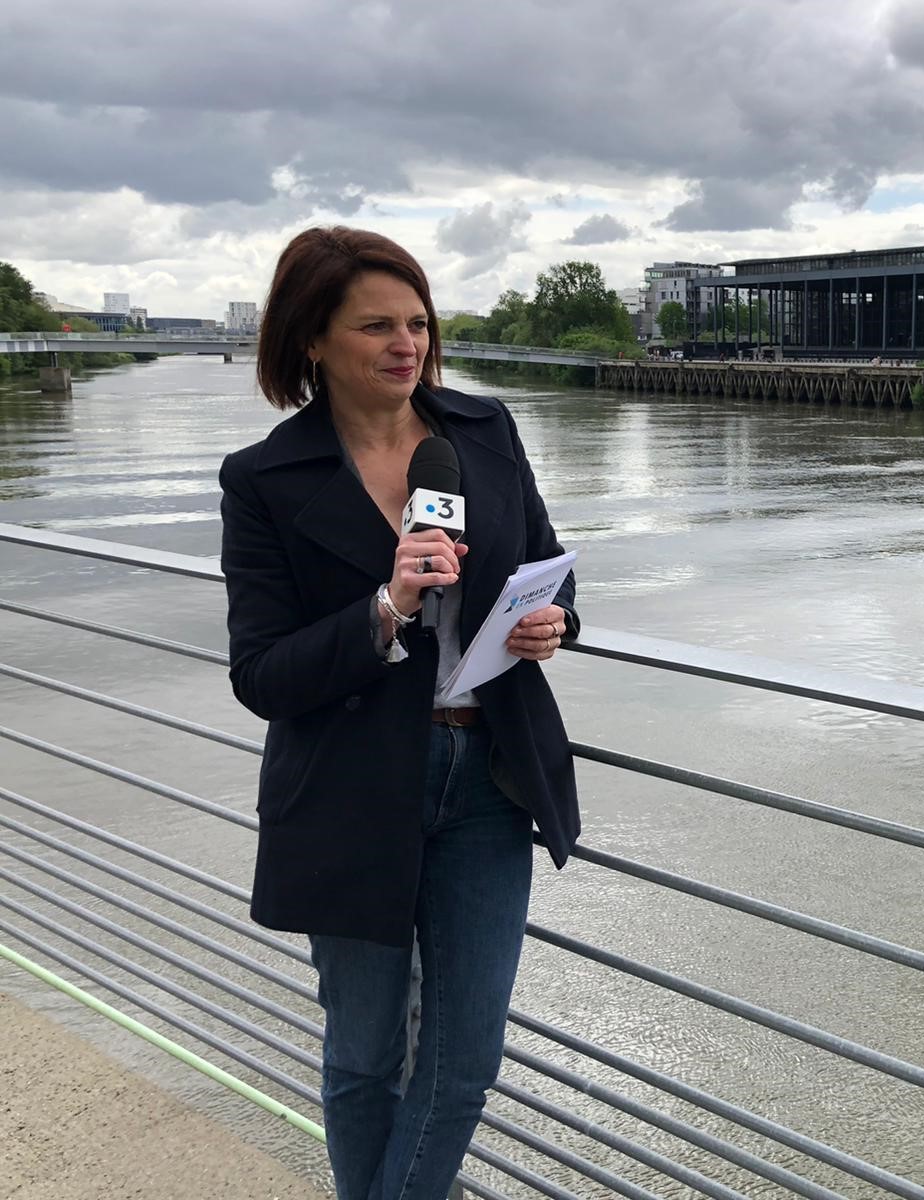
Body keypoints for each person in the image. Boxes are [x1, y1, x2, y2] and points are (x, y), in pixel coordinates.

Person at [219, 226, 580, 1199]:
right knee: (366, 1058)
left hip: (490, 781)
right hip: (348, 793)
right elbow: (260, 673)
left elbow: (551, 566)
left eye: (418, 322)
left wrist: (552, 620)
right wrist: (385, 609)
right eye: (375, 325)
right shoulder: (261, 480)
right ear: (311, 339)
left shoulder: (484, 432)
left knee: (463, 1061)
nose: (406, 344)